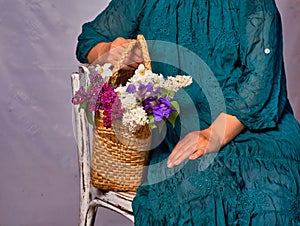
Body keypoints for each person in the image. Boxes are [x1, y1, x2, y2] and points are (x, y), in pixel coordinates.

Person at [76, 0, 300, 225]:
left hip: (255, 127)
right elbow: (89, 41)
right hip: (183, 130)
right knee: (196, 190)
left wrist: (213, 135)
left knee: (272, 192)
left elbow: (259, 81)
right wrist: (109, 51)